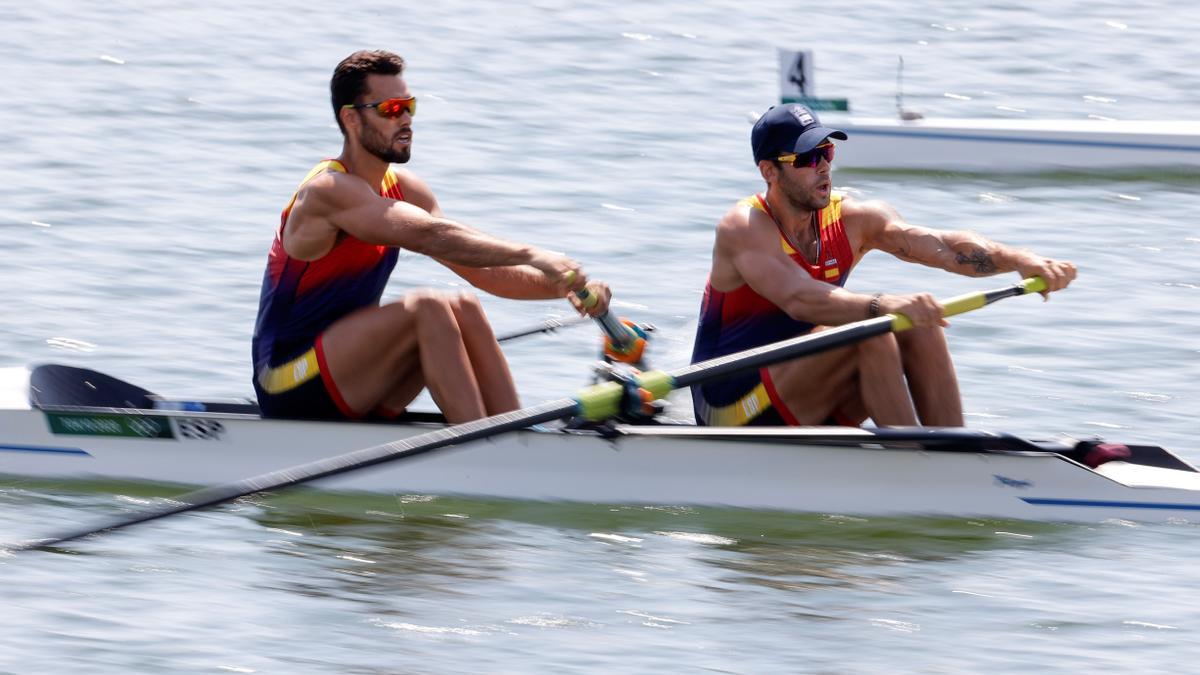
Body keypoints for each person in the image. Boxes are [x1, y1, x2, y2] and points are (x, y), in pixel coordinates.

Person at [252, 50, 610, 423]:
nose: (405, 119)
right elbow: (429, 235)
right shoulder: (328, 191)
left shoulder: (405, 189)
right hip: (287, 383)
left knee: (463, 306)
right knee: (428, 308)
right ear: (351, 118)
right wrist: (532, 253)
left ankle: (512, 435)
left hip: (353, 375)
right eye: (391, 109)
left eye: (409, 107)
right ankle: (486, 452)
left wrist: (564, 288)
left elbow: (484, 270)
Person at [690, 104, 1076, 428]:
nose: (823, 167)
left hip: (800, 382)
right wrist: (881, 304)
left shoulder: (853, 218)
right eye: (807, 159)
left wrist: (1019, 259)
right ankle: (916, 468)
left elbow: (941, 246)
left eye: (827, 153)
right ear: (769, 171)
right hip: (728, 401)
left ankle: (951, 454)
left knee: (920, 327)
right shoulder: (744, 227)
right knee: (870, 331)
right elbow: (798, 298)